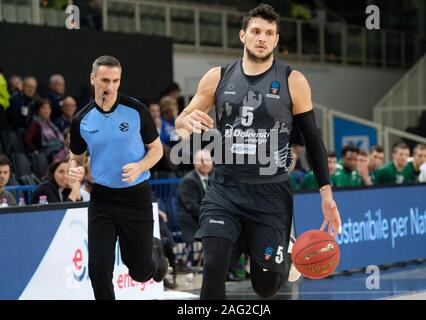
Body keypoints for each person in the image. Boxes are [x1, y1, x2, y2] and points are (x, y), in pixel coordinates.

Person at [175, 4, 341, 300]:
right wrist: (185, 122)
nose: (261, 38)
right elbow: (182, 122)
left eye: (269, 33)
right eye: (255, 31)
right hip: (224, 188)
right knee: (213, 265)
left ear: (276, 40)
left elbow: (314, 140)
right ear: (243, 35)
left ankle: (286, 255)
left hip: (270, 194)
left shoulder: (293, 81)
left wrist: (326, 194)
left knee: (264, 287)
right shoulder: (217, 77)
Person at [67, 55, 167, 300]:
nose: (110, 86)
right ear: (93, 79)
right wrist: (74, 169)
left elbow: (157, 149)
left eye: (115, 81)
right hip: (102, 199)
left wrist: (140, 165)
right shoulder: (81, 119)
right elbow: (75, 158)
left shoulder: (137, 111)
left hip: (136, 197)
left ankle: (155, 251)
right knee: (98, 269)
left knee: (141, 273)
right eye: (104, 80)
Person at [177, 149, 213, 267]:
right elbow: (191, 206)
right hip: (192, 220)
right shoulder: (188, 180)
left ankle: (231, 268)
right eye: (201, 160)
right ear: (195, 163)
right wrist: (210, 215)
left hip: (209, 218)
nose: (205, 163)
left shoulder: (215, 178)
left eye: (207, 160)